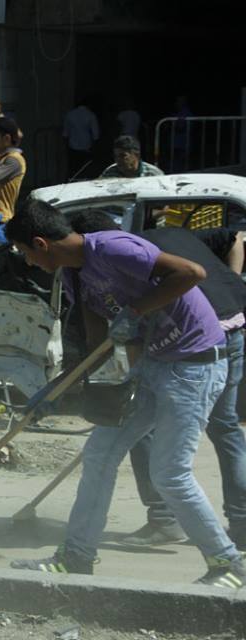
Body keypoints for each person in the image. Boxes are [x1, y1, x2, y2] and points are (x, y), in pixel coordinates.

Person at [7, 200, 245, 587]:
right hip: (151, 365)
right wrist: (60, 390)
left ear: (40, 243)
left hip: (194, 363)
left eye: (25, 253)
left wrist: (135, 311)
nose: (28, 262)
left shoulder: (113, 248)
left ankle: (228, 564)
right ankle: (77, 557)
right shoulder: (75, 277)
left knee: (169, 473)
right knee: (100, 454)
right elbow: (98, 345)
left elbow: (191, 273)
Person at [69, 211, 246, 551]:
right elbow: (235, 238)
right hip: (230, 324)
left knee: (159, 447)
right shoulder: (163, 239)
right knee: (224, 429)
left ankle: (168, 520)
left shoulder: (123, 260)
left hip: (201, 338)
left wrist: (135, 376)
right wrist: (233, 278)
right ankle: (240, 524)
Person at [63, 99, 100, 180]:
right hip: (86, 146)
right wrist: (94, 147)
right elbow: (95, 134)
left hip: (72, 145)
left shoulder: (70, 114)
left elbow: (65, 133)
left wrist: (65, 146)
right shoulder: (90, 115)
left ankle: (72, 181)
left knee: (74, 168)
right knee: (85, 168)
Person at [99, 135, 164, 179]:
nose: (118, 160)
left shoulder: (153, 174)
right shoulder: (110, 172)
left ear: (136, 155)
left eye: (123, 155)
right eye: (115, 156)